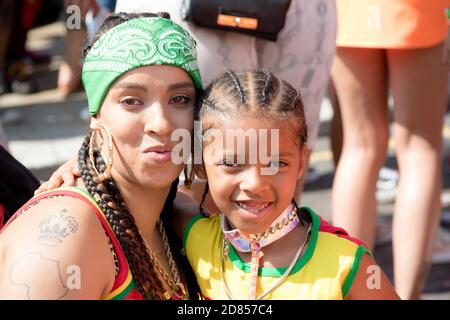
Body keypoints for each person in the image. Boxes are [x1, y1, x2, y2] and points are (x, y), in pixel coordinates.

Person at [42, 70, 400, 300]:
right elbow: (132, 183)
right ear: (199, 161)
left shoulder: (346, 264)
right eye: (231, 163)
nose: (255, 183)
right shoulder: (196, 236)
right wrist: (89, 160)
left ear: (303, 161)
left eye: (276, 163)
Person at [0, 12, 203, 300]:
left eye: (179, 99)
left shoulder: (177, 216)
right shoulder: (63, 241)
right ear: (95, 116)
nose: (161, 124)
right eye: (131, 101)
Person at [330, 0, 449, 299]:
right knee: (420, 150)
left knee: (359, 148)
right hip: (418, 11)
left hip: (349, 11)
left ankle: (350, 292)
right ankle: (406, 295)